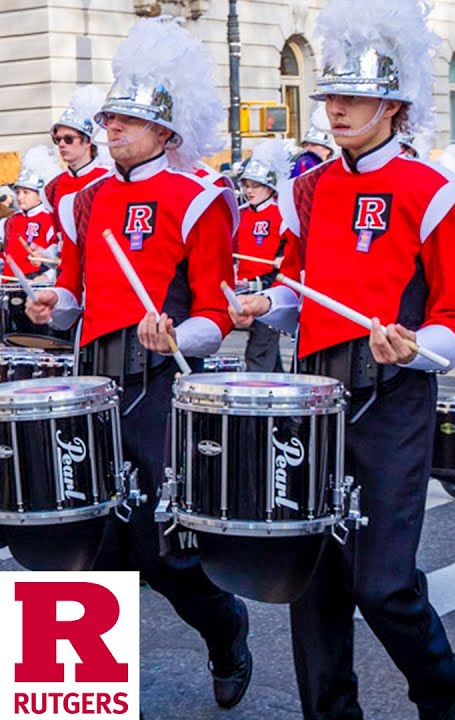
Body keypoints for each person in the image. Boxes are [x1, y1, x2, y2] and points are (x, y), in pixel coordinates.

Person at [227, 1, 455, 716]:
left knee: (384, 583)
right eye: (331, 94)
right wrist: (259, 305)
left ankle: (441, 680)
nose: (335, 107)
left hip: (393, 394)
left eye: (354, 96)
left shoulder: (436, 190)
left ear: (393, 106)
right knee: (315, 575)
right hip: (316, 391)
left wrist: (416, 345)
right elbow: (298, 291)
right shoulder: (308, 186)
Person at [23, 17, 251, 709]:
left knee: (161, 550)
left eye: (129, 118)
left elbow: (218, 310)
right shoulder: (85, 200)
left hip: (161, 385)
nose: (112, 126)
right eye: (111, 116)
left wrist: (179, 332)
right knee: (75, 535)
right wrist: (52, 304)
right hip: (90, 376)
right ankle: (76, 692)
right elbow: (77, 295)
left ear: (166, 132)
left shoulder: (200, 198)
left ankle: (226, 629)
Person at [233, 139, 294, 372]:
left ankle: (255, 395)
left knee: (259, 348)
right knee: (266, 348)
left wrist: (282, 257)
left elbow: (293, 249)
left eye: (255, 186)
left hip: (270, 286)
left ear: (269, 188)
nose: (249, 191)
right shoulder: (240, 214)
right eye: (246, 185)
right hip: (246, 287)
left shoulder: (282, 214)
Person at [43, 85, 110, 239]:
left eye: (68, 139)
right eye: (57, 139)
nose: (61, 144)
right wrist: (50, 249)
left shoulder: (107, 178)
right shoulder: (53, 186)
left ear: (87, 141)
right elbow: (57, 232)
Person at [4, 146, 62, 281]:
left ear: (40, 195)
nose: (19, 197)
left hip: (36, 282)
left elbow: (57, 256)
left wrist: (46, 274)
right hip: (9, 282)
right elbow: (6, 252)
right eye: (17, 192)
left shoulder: (50, 219)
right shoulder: (12, 220)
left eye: (26, 192)